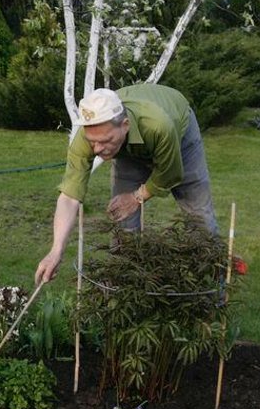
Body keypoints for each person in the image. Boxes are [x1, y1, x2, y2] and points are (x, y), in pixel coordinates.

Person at [34, 84, 218, 286]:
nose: (96, 149)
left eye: (105, 140)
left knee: (199, 217)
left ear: (125, 124)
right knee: (123, 220)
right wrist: (56, 250)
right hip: (128, 146)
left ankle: (210, 290)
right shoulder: (89, 137)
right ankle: (124, 291)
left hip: (179, 133)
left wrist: (137, 197)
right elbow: (69, 196)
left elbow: (170, 173)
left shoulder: (159, 125)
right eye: (92, 141)